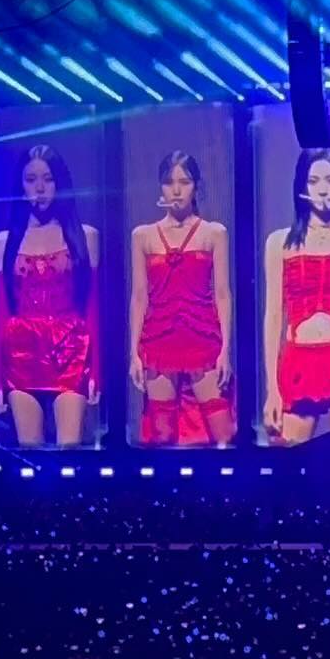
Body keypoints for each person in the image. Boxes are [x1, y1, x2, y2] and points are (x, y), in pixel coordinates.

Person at [263, 146, 330, 444]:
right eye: (313, 181)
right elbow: (273, 318)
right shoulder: (279, 243)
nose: (322, 190)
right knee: (287, 463)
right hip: (300, 363)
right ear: (302, 185)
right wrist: (272, 390)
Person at [0, 145, 100, 447]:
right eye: (30, 180)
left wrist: (97, 372)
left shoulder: (85, 236)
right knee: (30, 451)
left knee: (69, 449)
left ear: (60, 183)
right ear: (20, 186)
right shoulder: (3, 242)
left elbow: (92, 308)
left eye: (48, 179)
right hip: (21, 353)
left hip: (71, 351)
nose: (39, 188)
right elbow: (1, 314)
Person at [129, 151, 234, 446]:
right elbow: (139, 297)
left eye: (184, 182)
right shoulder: (143, 236)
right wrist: (133, 353)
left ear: (196, 186)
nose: (176, 190)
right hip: (159, 341)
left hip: (203, 340)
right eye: (169, 182)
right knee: (162, 435)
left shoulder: (214, 233)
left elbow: (223, 293)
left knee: (223, 434)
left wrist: (226, 350)